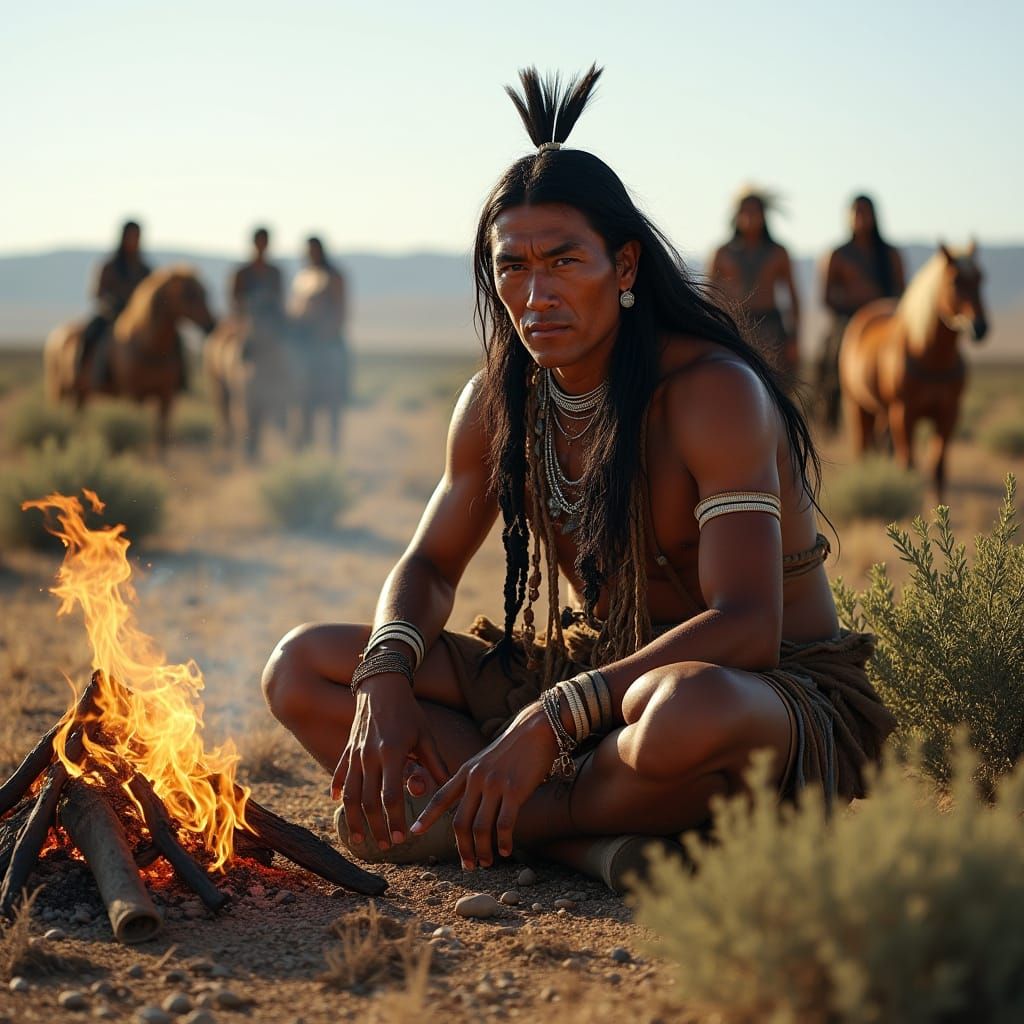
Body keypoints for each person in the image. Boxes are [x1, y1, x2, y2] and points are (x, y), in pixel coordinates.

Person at [261, 66, 895, 892]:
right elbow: (427, 568)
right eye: (512, 267)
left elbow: (747, 626)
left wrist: (547, 724)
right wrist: (385, 669)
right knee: (301, 668)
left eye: (564, 261)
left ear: (624, 266)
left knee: (675, 716)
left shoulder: (711, 392)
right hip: (591, 677)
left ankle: (499, 822)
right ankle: (587, 841)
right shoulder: (496, 405)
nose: (536, 294)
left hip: (761, 690)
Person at [816, 195, 906, 433]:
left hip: (887, 320)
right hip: (848, 320)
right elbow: (826, 297)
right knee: (829, 357)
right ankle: (829, 410)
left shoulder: (890, 255)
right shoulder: (837, 255)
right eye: (856, 212)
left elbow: (901, 291)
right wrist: (853, 309)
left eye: (865, 212)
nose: (860, 218)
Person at [708, 188, 801, 383]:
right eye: (745, 211)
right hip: (734, 330)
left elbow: (793, 298)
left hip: (771, 330)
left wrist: (794, 338)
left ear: (764, 216)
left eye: (755, 211)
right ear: (737, 216)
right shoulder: (722, 254)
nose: (750, 217)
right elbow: (710, 297)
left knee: (775, 389)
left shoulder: (778, 253)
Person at [288, 236, 349, 450]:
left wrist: (326, 332)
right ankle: (303, 445)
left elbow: (341, 310)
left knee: (335, 384)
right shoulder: (303, 276)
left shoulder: (334, 276)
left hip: (327, 340)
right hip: (303, 340)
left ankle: (333, 446)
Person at [78, 220, 152, 386]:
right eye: (131, 236)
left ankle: (179, 379)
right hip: (111, 314)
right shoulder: (109, 266)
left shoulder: (144, 269)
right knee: (91, 333)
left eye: (137, 237)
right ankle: (84, 374)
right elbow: (98, 293)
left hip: (138, 318)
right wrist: (114, 304)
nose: (134, 241)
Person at [230, 226, 284, 320]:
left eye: (264, 242)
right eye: (260, 241)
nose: (261, 246)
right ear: (254, 243)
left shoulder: (274, 273)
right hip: (246, 322)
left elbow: (278, 300)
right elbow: (235, 302)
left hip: (270, 323)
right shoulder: (242, 274)